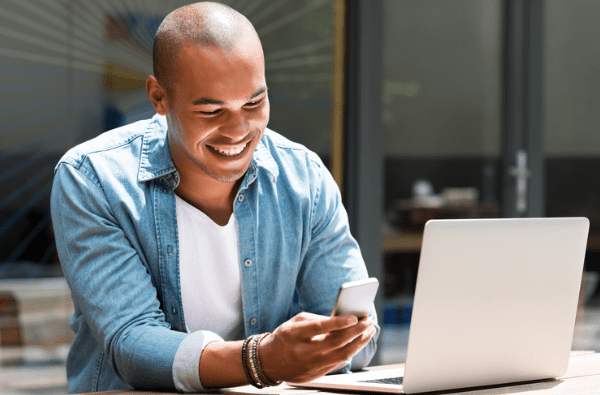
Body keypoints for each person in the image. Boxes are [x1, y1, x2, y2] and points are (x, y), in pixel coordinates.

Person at [50, 2, 378, 393]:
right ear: (159, 97)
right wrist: (263, 360)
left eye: (254, 104)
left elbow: (359, 338)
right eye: (211, 111)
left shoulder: (303, 178)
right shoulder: (93, 179)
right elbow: (132, 344)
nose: (238, 130)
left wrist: (332, 342)